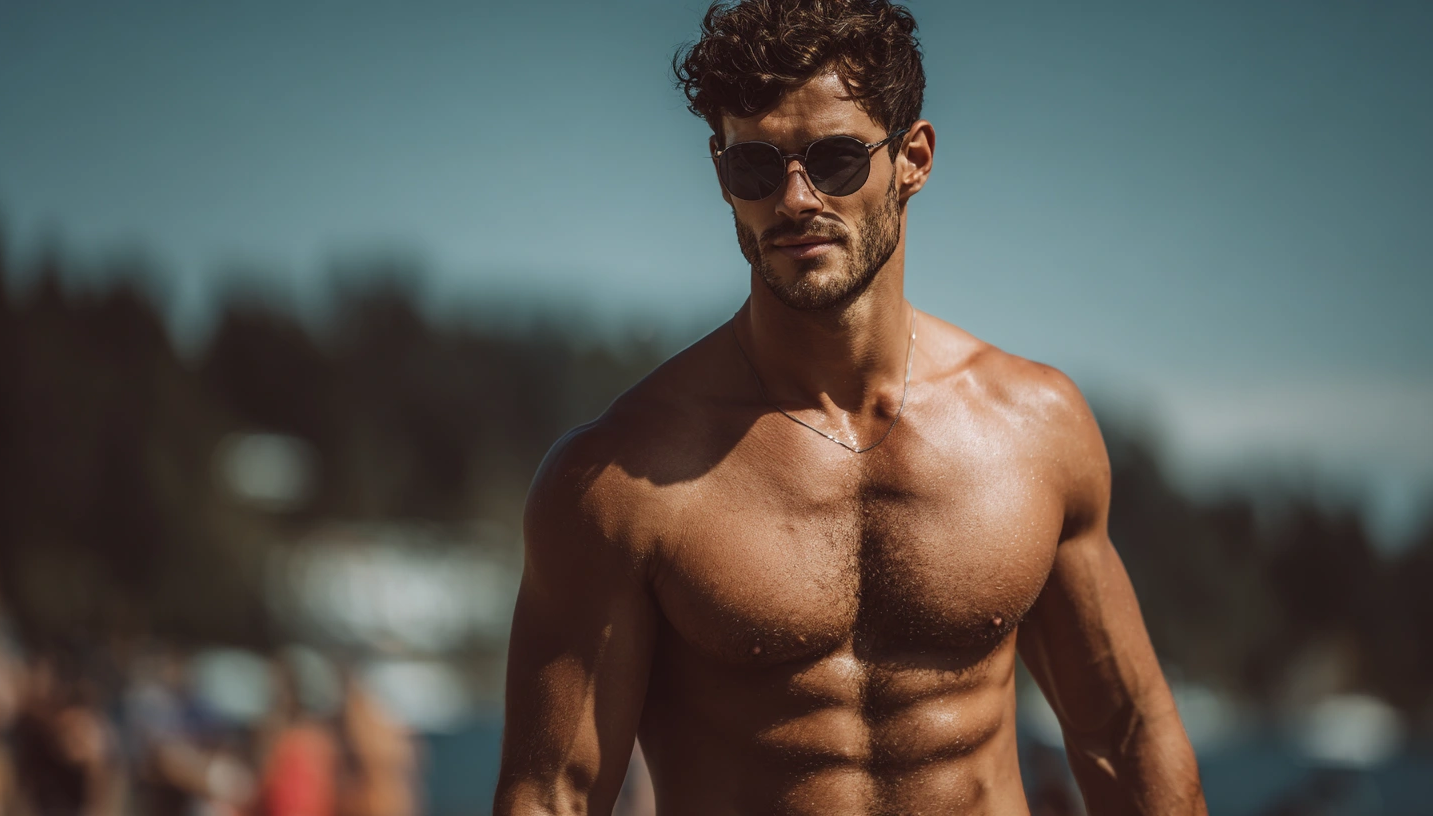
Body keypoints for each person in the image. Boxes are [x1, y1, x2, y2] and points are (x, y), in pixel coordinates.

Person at [494, 1, 1207, 813]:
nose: (794, 200)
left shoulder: (1034, 430)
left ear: (913, 158)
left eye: (834, 160)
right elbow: (553, 795)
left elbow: (1123, 734)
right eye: (755, 167)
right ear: (721, 175)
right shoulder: (617, 477)